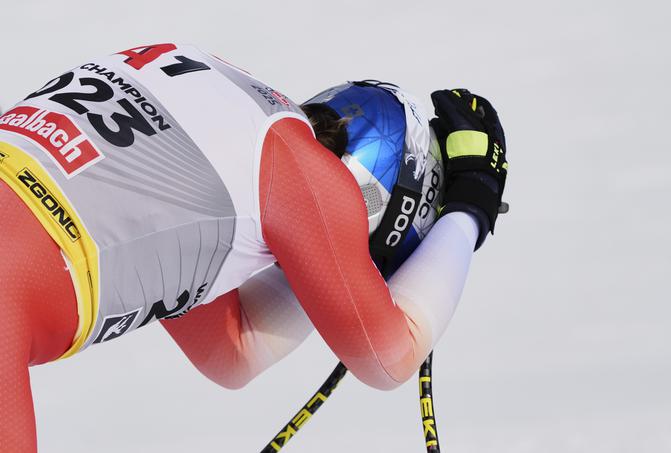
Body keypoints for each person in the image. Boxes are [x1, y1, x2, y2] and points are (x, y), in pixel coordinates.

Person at [0, 43, 507, 452]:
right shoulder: (307, 180)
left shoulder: (221, 108)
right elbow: (387, 357)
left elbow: (232, 349)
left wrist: (326, 264)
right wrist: (471, 208)